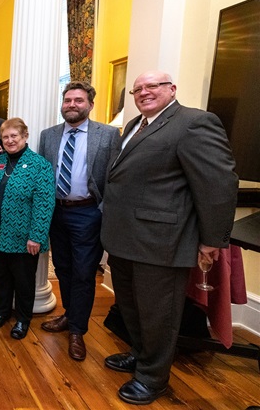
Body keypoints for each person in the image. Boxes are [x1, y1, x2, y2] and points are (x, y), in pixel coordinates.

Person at [101, 71, 237, 405]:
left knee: (158, 315)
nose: (143, 92)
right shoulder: (134, 125)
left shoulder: (194, 123)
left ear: (172, 89)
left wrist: (212, 240)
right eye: (137, 89)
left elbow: (218, 183)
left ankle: (153, 378)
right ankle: (140, 355)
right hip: (123, 238)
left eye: (153, 86)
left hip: (161, 241)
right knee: (131, 308)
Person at [37, 81, 120, 361]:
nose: (72, 105)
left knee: (84, 273)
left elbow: (115, 177)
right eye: (68, 100)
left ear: (90, 105)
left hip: (88, 213)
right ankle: (69, 314)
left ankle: (77, 330)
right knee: (63, 268)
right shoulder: (48, 135)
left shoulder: (108, 135)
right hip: (56, 212)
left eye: (78, 100)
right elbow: (42, 174)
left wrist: (102, 210)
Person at [0, 118, 55, 339]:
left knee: (23, 281)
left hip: (24, 238)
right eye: (6, 137)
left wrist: (37, 236)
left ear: (25, 136)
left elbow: (44, 203)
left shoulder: (39, 165)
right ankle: (1, 312)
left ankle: (23, 319)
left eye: (14, 136)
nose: (10, 140)